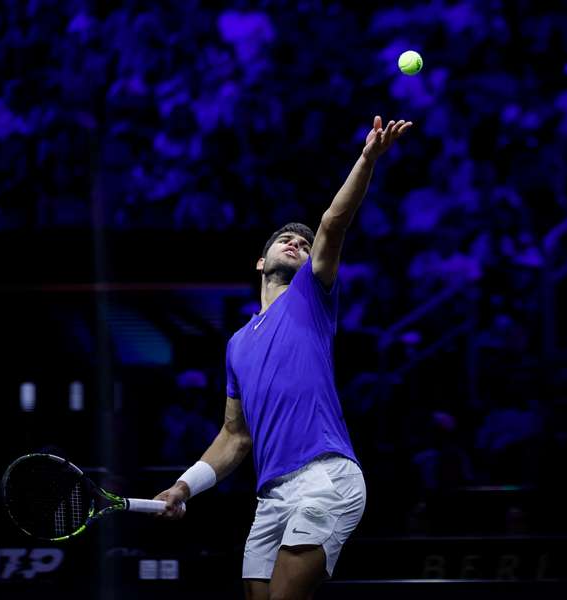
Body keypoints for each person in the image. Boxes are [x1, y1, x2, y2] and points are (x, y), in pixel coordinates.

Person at [153, 116, 413, 599]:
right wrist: (183, 487)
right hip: (271, 496)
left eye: (303, 242)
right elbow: (235, 437)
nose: (296, 241)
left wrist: (367, 158)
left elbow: (333, 225)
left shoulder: (310, 296)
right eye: (284, 238)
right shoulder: (237, 343)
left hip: (326, 478)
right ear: (260, 261)